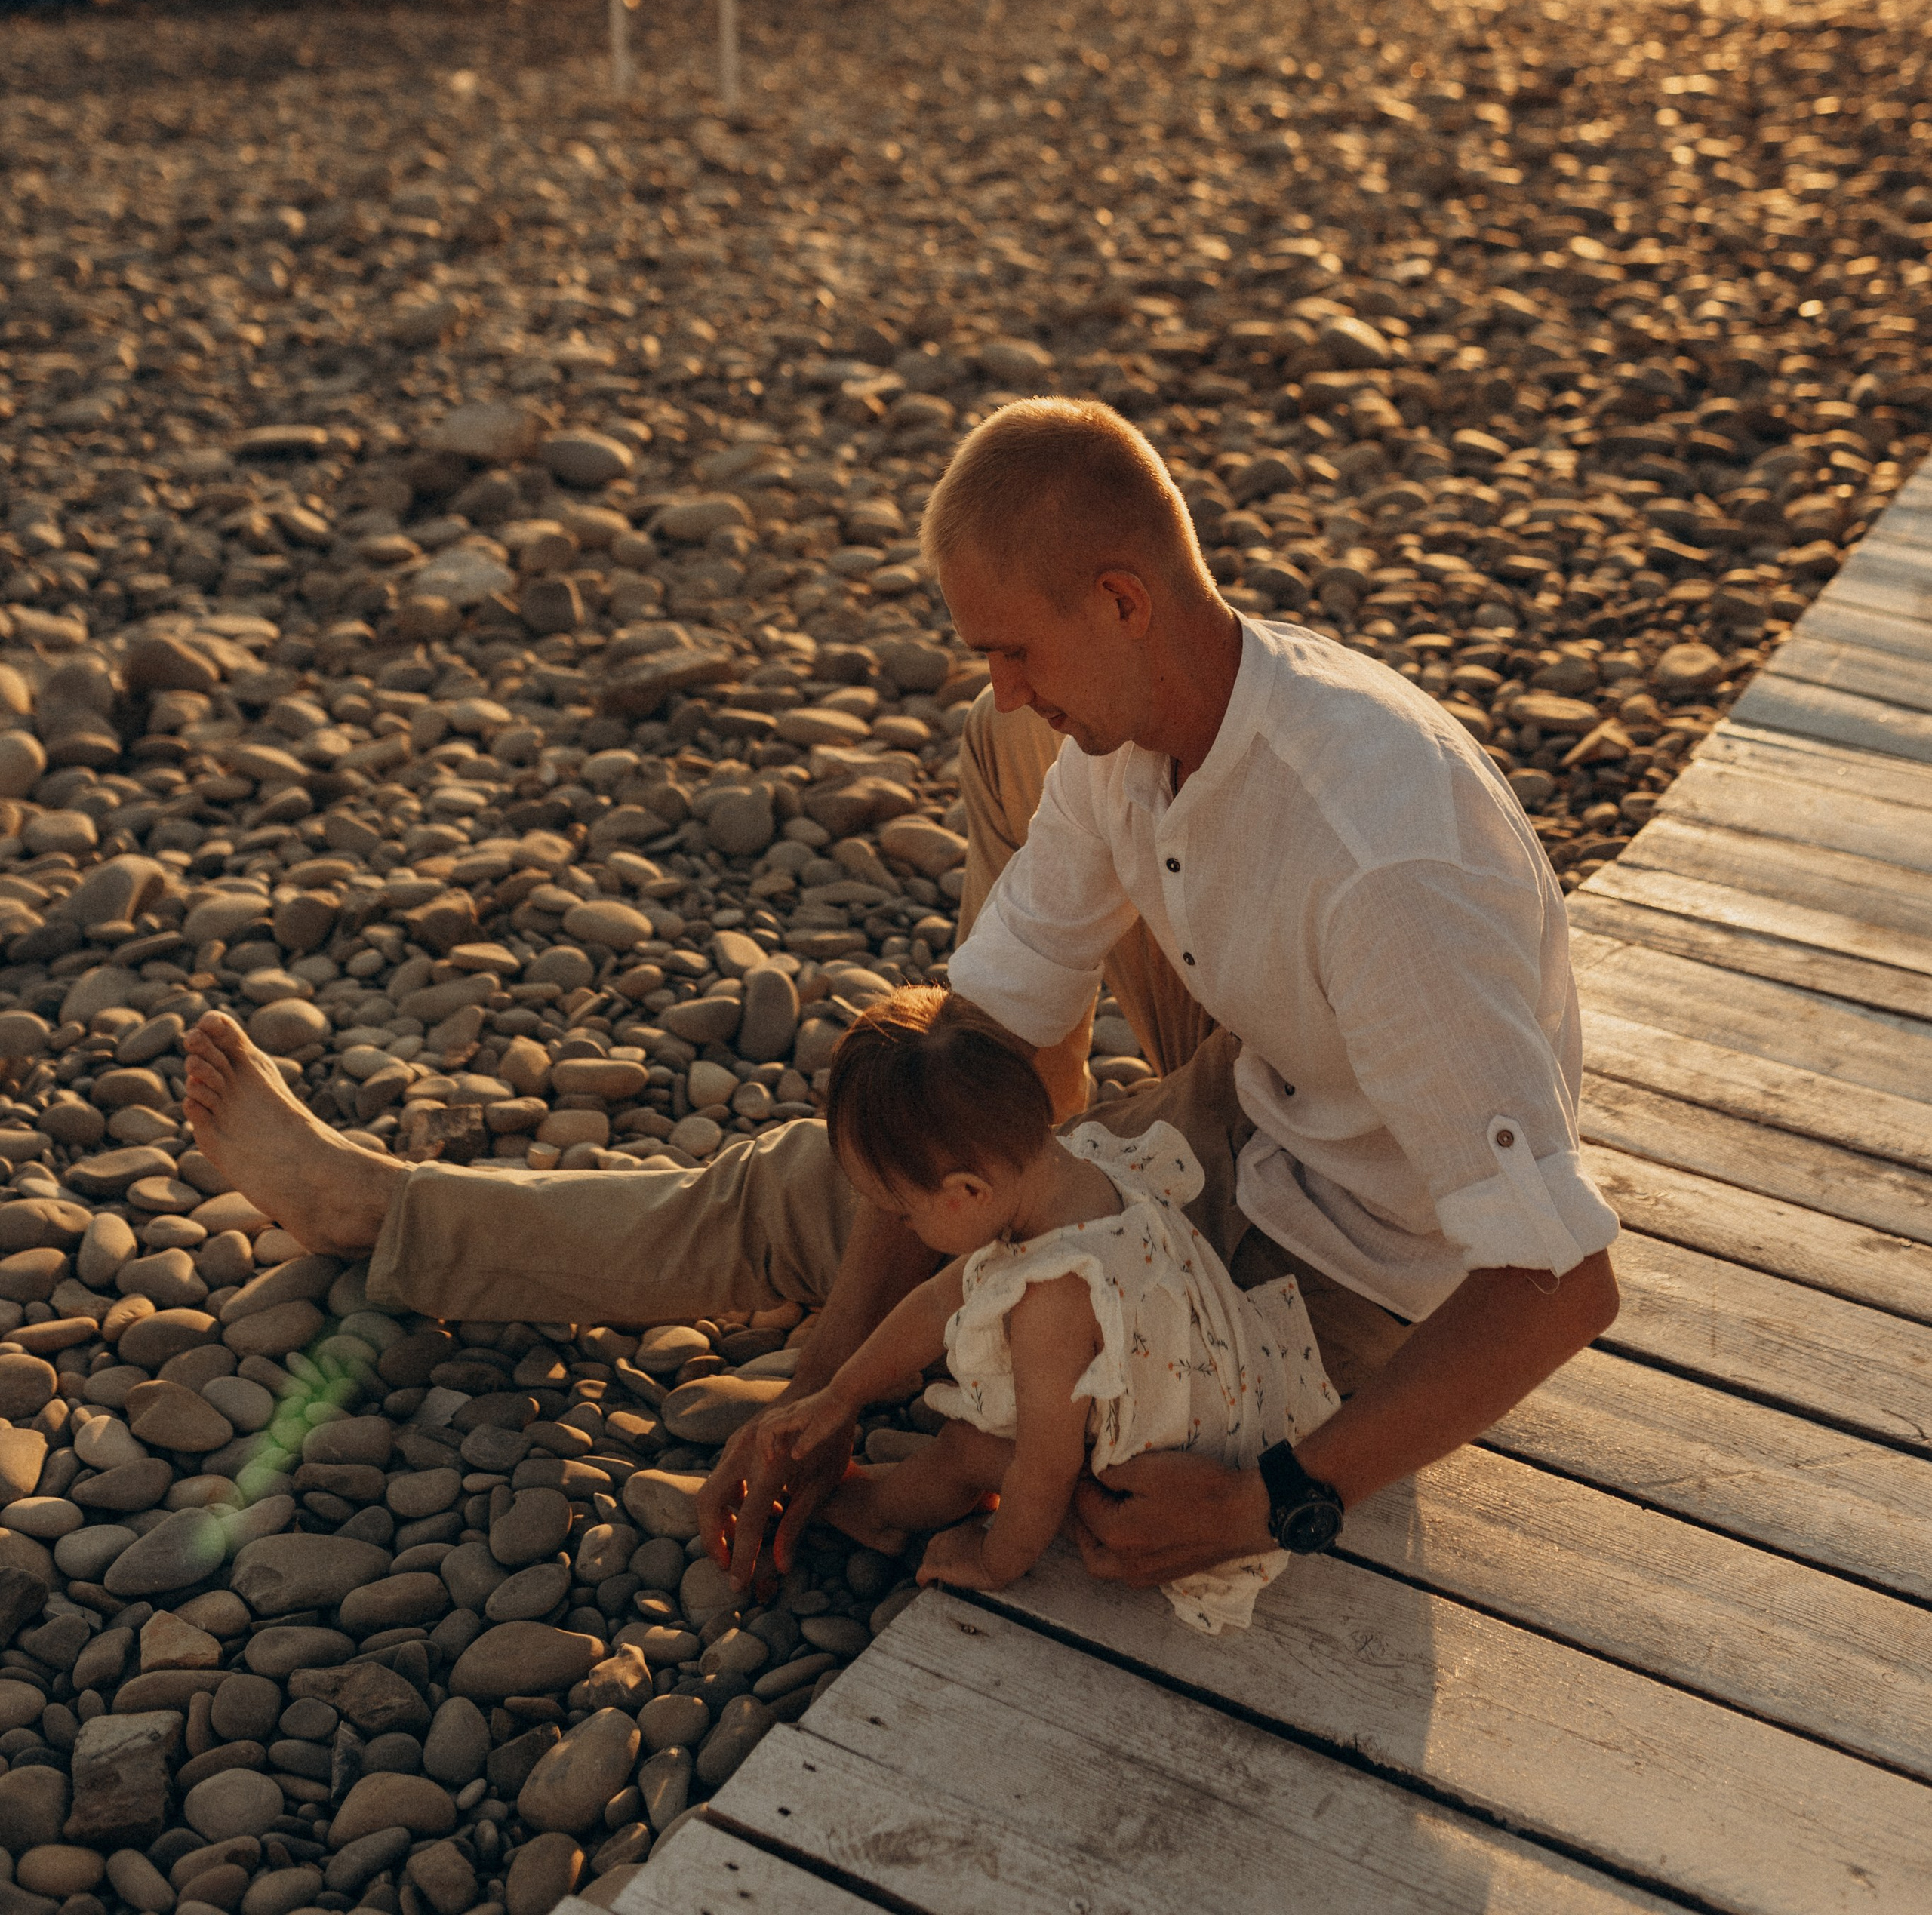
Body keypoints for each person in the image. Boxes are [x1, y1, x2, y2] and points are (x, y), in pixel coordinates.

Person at [184, 395, 1619, 1596]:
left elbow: (1558, 1283)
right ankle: (389, 1210)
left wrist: (1281, 1505)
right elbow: (988, 1037)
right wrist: (831, 1380)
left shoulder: (1381, 866)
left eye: (1013, 650)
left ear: (1122, 600)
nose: (999, 692)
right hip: (1249, 1109)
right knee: (849, 1186)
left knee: (1054, 1407)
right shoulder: (1127, 741)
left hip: (1368, 1281)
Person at [751, 984, 1337, 1631]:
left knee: (966, 1448)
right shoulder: (1080, 1165)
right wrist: (841, 1392)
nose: (902, 1230)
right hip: (1214, 1396)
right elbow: (940, 1299)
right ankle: (894, 1501)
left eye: (902, 1214)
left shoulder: (1051, 1299)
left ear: (965, 1191)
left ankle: (883, 1511)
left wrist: (997, 1558)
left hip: (1158, 1488)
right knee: (983, 1429)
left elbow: (1045, 1463)